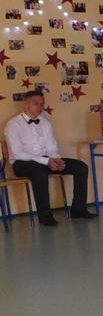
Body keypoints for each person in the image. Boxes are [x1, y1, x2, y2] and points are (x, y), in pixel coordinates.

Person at [4, 91, 95, 225]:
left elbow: (51, 147)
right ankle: (45, 216)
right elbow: (18, 153)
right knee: (39, 171)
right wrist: (47, 161)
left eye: (42, 104)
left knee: (81, 167)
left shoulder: (45, 123)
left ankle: (78, 210)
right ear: (26, 104)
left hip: (46, 161)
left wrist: (57, 160)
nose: (40, 107)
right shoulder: (13, 124)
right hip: (22, 163)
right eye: (36, 104)